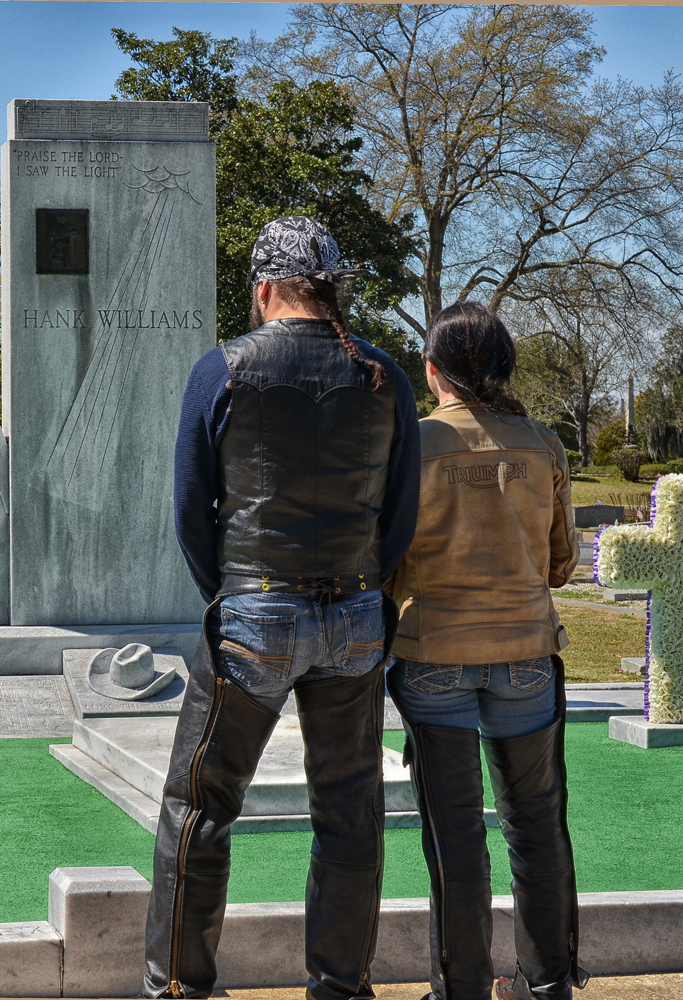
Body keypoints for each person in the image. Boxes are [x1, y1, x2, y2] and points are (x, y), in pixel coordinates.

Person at [143, 216, 421, 1000]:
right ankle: (340, 987)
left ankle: (180, 990)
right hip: (355, 613)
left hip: (255, 608)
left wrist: (231, 593)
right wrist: (364, 590)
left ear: (264, 289)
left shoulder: (225, 368)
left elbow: (191, 508)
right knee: (350, 817)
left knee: (199, 808)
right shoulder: (384, 375)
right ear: (334, 289)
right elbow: (400, 514)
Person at [385, 301, 589, 1000]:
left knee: (455, 840)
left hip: (434, 653)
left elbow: (386, 562)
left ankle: (460, 988)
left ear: (431, 370)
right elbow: (561, 565)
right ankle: (550, 982)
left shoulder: (412, 445)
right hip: (527, 653)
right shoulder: (544, 444)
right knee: (538, 830)